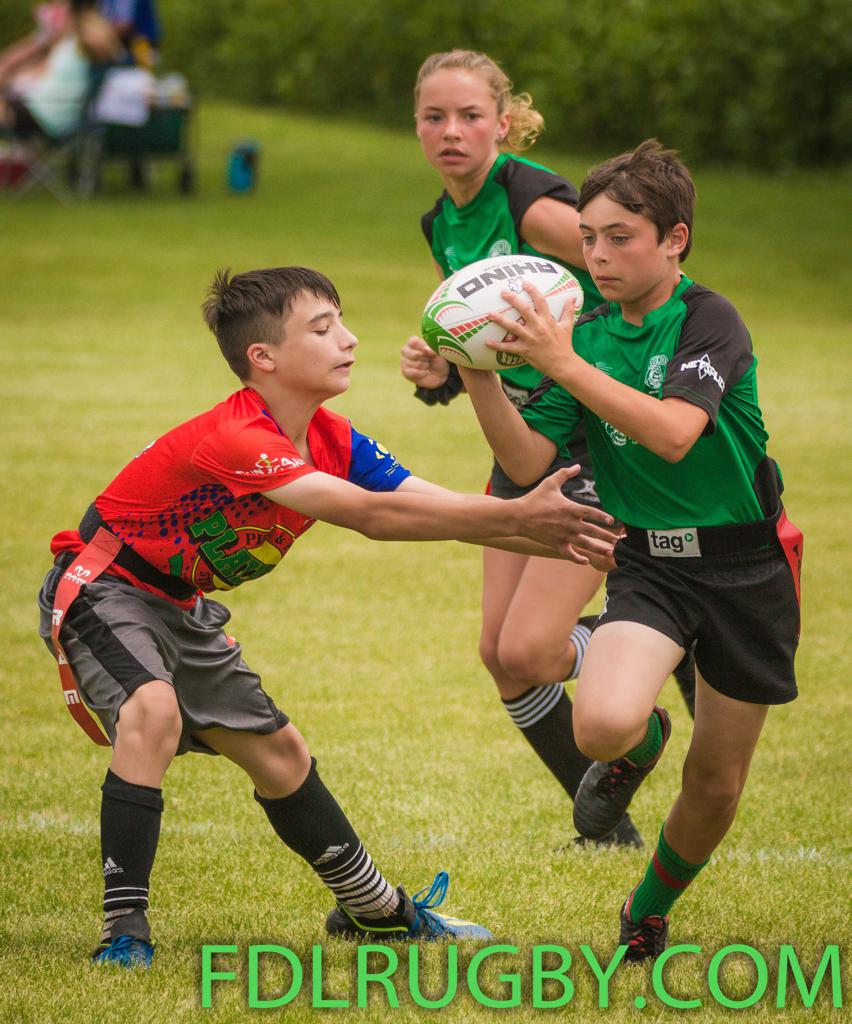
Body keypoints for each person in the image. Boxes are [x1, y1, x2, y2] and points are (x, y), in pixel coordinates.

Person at [37, 265, 617, 968]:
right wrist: (520, 515)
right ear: (264, 357)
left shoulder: (333, 438)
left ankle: (376, 911)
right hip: (106, 586)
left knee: (281, 754)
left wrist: (573, 533)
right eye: (323, 328)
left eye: (341, 320)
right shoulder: (239, 437)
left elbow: (435, 509)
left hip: (178, 605)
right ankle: (123, 929)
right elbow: (372, 516)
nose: (349, 338)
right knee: (151, 713)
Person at [458, 140, 802, 961]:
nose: (598, 256)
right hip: (649, 562)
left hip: (747, 566)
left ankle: (647, 907)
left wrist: (563, 362)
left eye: (620, 237)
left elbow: (675, 435)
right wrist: (475, 373)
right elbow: (526, 465)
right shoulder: (588, 333)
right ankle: (640, 744)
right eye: (588, 238)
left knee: (716, 785)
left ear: (674, 239)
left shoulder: (708, 320)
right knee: (601, 725)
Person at [401, 49, 642, 847]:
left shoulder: (534, 206)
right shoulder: (444, 221)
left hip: (586, 444)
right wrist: (441, 365)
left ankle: (658, 631)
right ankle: (604, 819)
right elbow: (495, 350)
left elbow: (634, 288)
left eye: (470, 116)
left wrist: (595, 377)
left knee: (535, 649)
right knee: (501, 656)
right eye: (434, 117)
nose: (451, 132)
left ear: (504, 123)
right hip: (521, 441)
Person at [0, 0, 118, 140]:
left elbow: (104, 48)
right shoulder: (69, 43)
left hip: (45, 115)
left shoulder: (86, 38)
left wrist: (49, 35)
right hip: (37, 107)